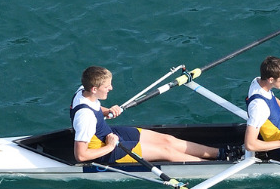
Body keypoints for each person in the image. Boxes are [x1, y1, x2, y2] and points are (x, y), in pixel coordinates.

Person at [72, 66, 221, 165]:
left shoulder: (81, 91)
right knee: (166, 151)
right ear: (93, 89)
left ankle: (220, 153)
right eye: (107, 87)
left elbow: (93, 108)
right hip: (105, 152)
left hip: (108, 133)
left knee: (167, 140)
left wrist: (106, 111)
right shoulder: (86, 118)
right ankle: (211, 165)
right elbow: (81, 156)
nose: (111, 88)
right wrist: (110, 147)